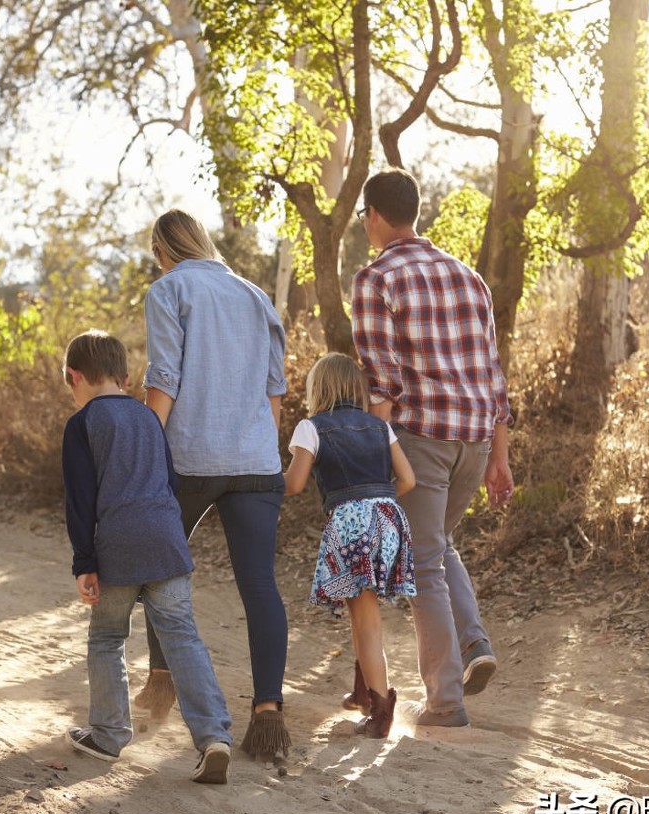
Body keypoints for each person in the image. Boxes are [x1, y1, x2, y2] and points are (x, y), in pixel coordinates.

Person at [351, 167, 515, 728]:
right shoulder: (469, 277)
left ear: (374, 215)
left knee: (422, 561)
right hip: (474, 436)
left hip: (420, 438)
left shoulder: (376, 279)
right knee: (437, 545)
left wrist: (375, 453)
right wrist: (500, 456)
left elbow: (383, 382)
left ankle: (445, 701)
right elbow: (494, 376)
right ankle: (474, 647)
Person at [135, 209, 292, 761]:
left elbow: (165, 379)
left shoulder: (169, 289)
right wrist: (261, 452)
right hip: (255, 458)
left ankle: (162, 681)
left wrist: (142, 450)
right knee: (260, 585)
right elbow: (276, 389)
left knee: (158, 564)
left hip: (190, 457)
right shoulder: (254, 295)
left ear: (162, 250)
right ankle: (268, 715)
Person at [60, 329, 233, 784]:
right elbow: (171, 484)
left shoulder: (82, 426)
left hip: (118, 545)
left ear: (74, 377)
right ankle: (213, 736)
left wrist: (84, 562)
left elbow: (80, 500)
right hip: (167, 542)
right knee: (183, 638)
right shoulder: (149, 419)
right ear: (126, 376)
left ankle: (108, 733)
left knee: (107, 637)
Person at [282, 352, 417, 738]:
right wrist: (377, 500)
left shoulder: (312, 427)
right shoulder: (379, 427)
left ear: (318, 389)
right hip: (389, 518)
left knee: (366, 620)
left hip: (351, 524)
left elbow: (293, 485)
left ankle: (381, 706)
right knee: (364, 613)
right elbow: (407, 480)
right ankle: (363, 693)